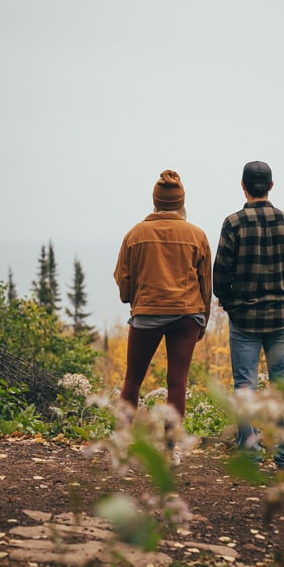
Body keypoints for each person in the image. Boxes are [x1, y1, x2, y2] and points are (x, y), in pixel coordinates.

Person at [213, 161, 284, 468]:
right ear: (271, 186)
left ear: (242, 186)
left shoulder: (233, 224)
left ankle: (251, 456)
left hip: (244, 322)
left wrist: (231, 304)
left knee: (245, 387)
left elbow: (220, 275)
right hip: (281, 320)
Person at [114, 169, 212, 465]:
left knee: (133, 378)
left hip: (148, 311)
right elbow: (205, 283)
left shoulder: (135, 234)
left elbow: (123, 280)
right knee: (177, 381)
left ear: (155, 201)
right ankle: (170, 449)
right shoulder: (197, 235)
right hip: (187, 315)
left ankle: (122, 444)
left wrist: (134, 299)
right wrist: (202, 320)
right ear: (181, 202)